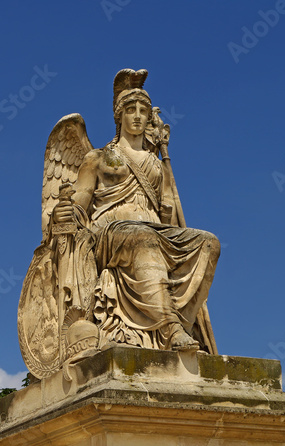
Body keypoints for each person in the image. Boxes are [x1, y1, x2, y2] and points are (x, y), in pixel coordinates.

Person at [52, 75, 220, 351]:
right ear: (119, 116)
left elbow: (168, 215)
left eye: (143, 111)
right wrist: (65, 212)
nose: (138, 117)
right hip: (108, 236)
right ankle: (171, 329)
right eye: (131, 110)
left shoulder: (157, 162)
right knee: (143, 237)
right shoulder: (98, 157)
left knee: (208, 242)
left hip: (154, 232)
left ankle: (183, 322)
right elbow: (80, 208)